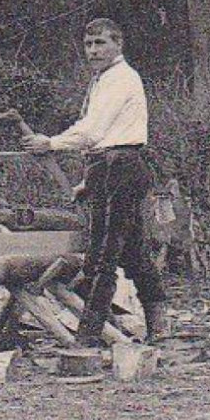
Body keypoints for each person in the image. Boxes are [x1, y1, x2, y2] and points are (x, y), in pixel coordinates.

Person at [23, 18, 167, 345]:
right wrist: (89, 181)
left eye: (100, 43)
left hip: (122, 168)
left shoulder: (121, 79)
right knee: (132, 253)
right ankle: (159, 323)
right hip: (109, 169)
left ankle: (88, 335)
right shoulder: (103, 79)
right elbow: (100, 137)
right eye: (88, 45)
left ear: (118, 44)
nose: (93, 51)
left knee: (101, 255)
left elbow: (93, 132)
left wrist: (51, 143)